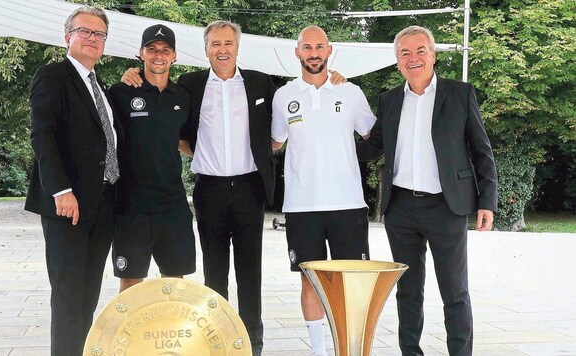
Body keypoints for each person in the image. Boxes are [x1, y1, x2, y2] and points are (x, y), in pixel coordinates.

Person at [121, 21, 345, 354]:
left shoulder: (261, 83)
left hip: (249, 188)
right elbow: (174, 132)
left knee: (249, 273)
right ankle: (219, 343)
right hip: (209, 189)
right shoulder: (190, 85)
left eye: (228, 43)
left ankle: (253, 346)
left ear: (237, 47)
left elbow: (287, 117)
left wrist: (333, 79)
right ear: (206, 49)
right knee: (214, 276)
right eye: (214, 44)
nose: (222, 49)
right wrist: (132, 76)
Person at [356, 25, 498, 356]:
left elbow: (482, 151)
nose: (413, 58)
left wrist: (486, 201)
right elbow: (373, 147)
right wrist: (329, 135)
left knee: (455, 291)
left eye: (420, 51)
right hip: (401, 208)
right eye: (405, 53)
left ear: (433, 55)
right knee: (407, 290)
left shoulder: (460, 94)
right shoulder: (389, 100)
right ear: (397, 62)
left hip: (447, 207)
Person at [271, 25, 376, 356]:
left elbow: (373, 136)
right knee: (310, 281)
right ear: (297, 52)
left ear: (329, 50)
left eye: (319, 47)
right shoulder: (283, 96)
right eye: (307, 47)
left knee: (352, 282)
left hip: (348, 203)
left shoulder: (351, 92)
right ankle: (319, 352)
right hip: (302, 206)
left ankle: (350, 348)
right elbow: (274, 142)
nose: (313, 53)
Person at [24, 5, 121, 356]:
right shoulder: (52, 75)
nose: (93, 39)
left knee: (87, 297)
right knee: (67, 298)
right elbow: (42, 136)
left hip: (102, 206)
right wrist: (61, 190)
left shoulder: (101, 86)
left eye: (100, 34)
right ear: (68, 36)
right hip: (68, 206)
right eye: (85, 31)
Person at [108, 24, 196, 293]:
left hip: (173, 204)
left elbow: (187, 142)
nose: (159, 55)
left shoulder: (182, 96)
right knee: (132, 283)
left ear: (174, 56)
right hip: (131, 206)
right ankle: (128, 337)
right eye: (152, 49)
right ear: (141, 53)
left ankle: (171, 335)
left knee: (174, 282)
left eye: (165, 50)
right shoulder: (121, 92)